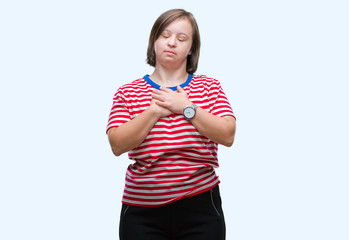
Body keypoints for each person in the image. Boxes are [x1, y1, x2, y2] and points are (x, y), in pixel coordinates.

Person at [106, 9, 236, 240]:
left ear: (191, 49)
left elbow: (227, 135)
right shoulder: (128, 92)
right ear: (154, 41)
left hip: (201, 206)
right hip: (142, 210)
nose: (172, 42)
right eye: (165, 35)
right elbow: (117, 144)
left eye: (182, 38)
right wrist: (154, 111)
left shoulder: (210, 87)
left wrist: (186, 108)